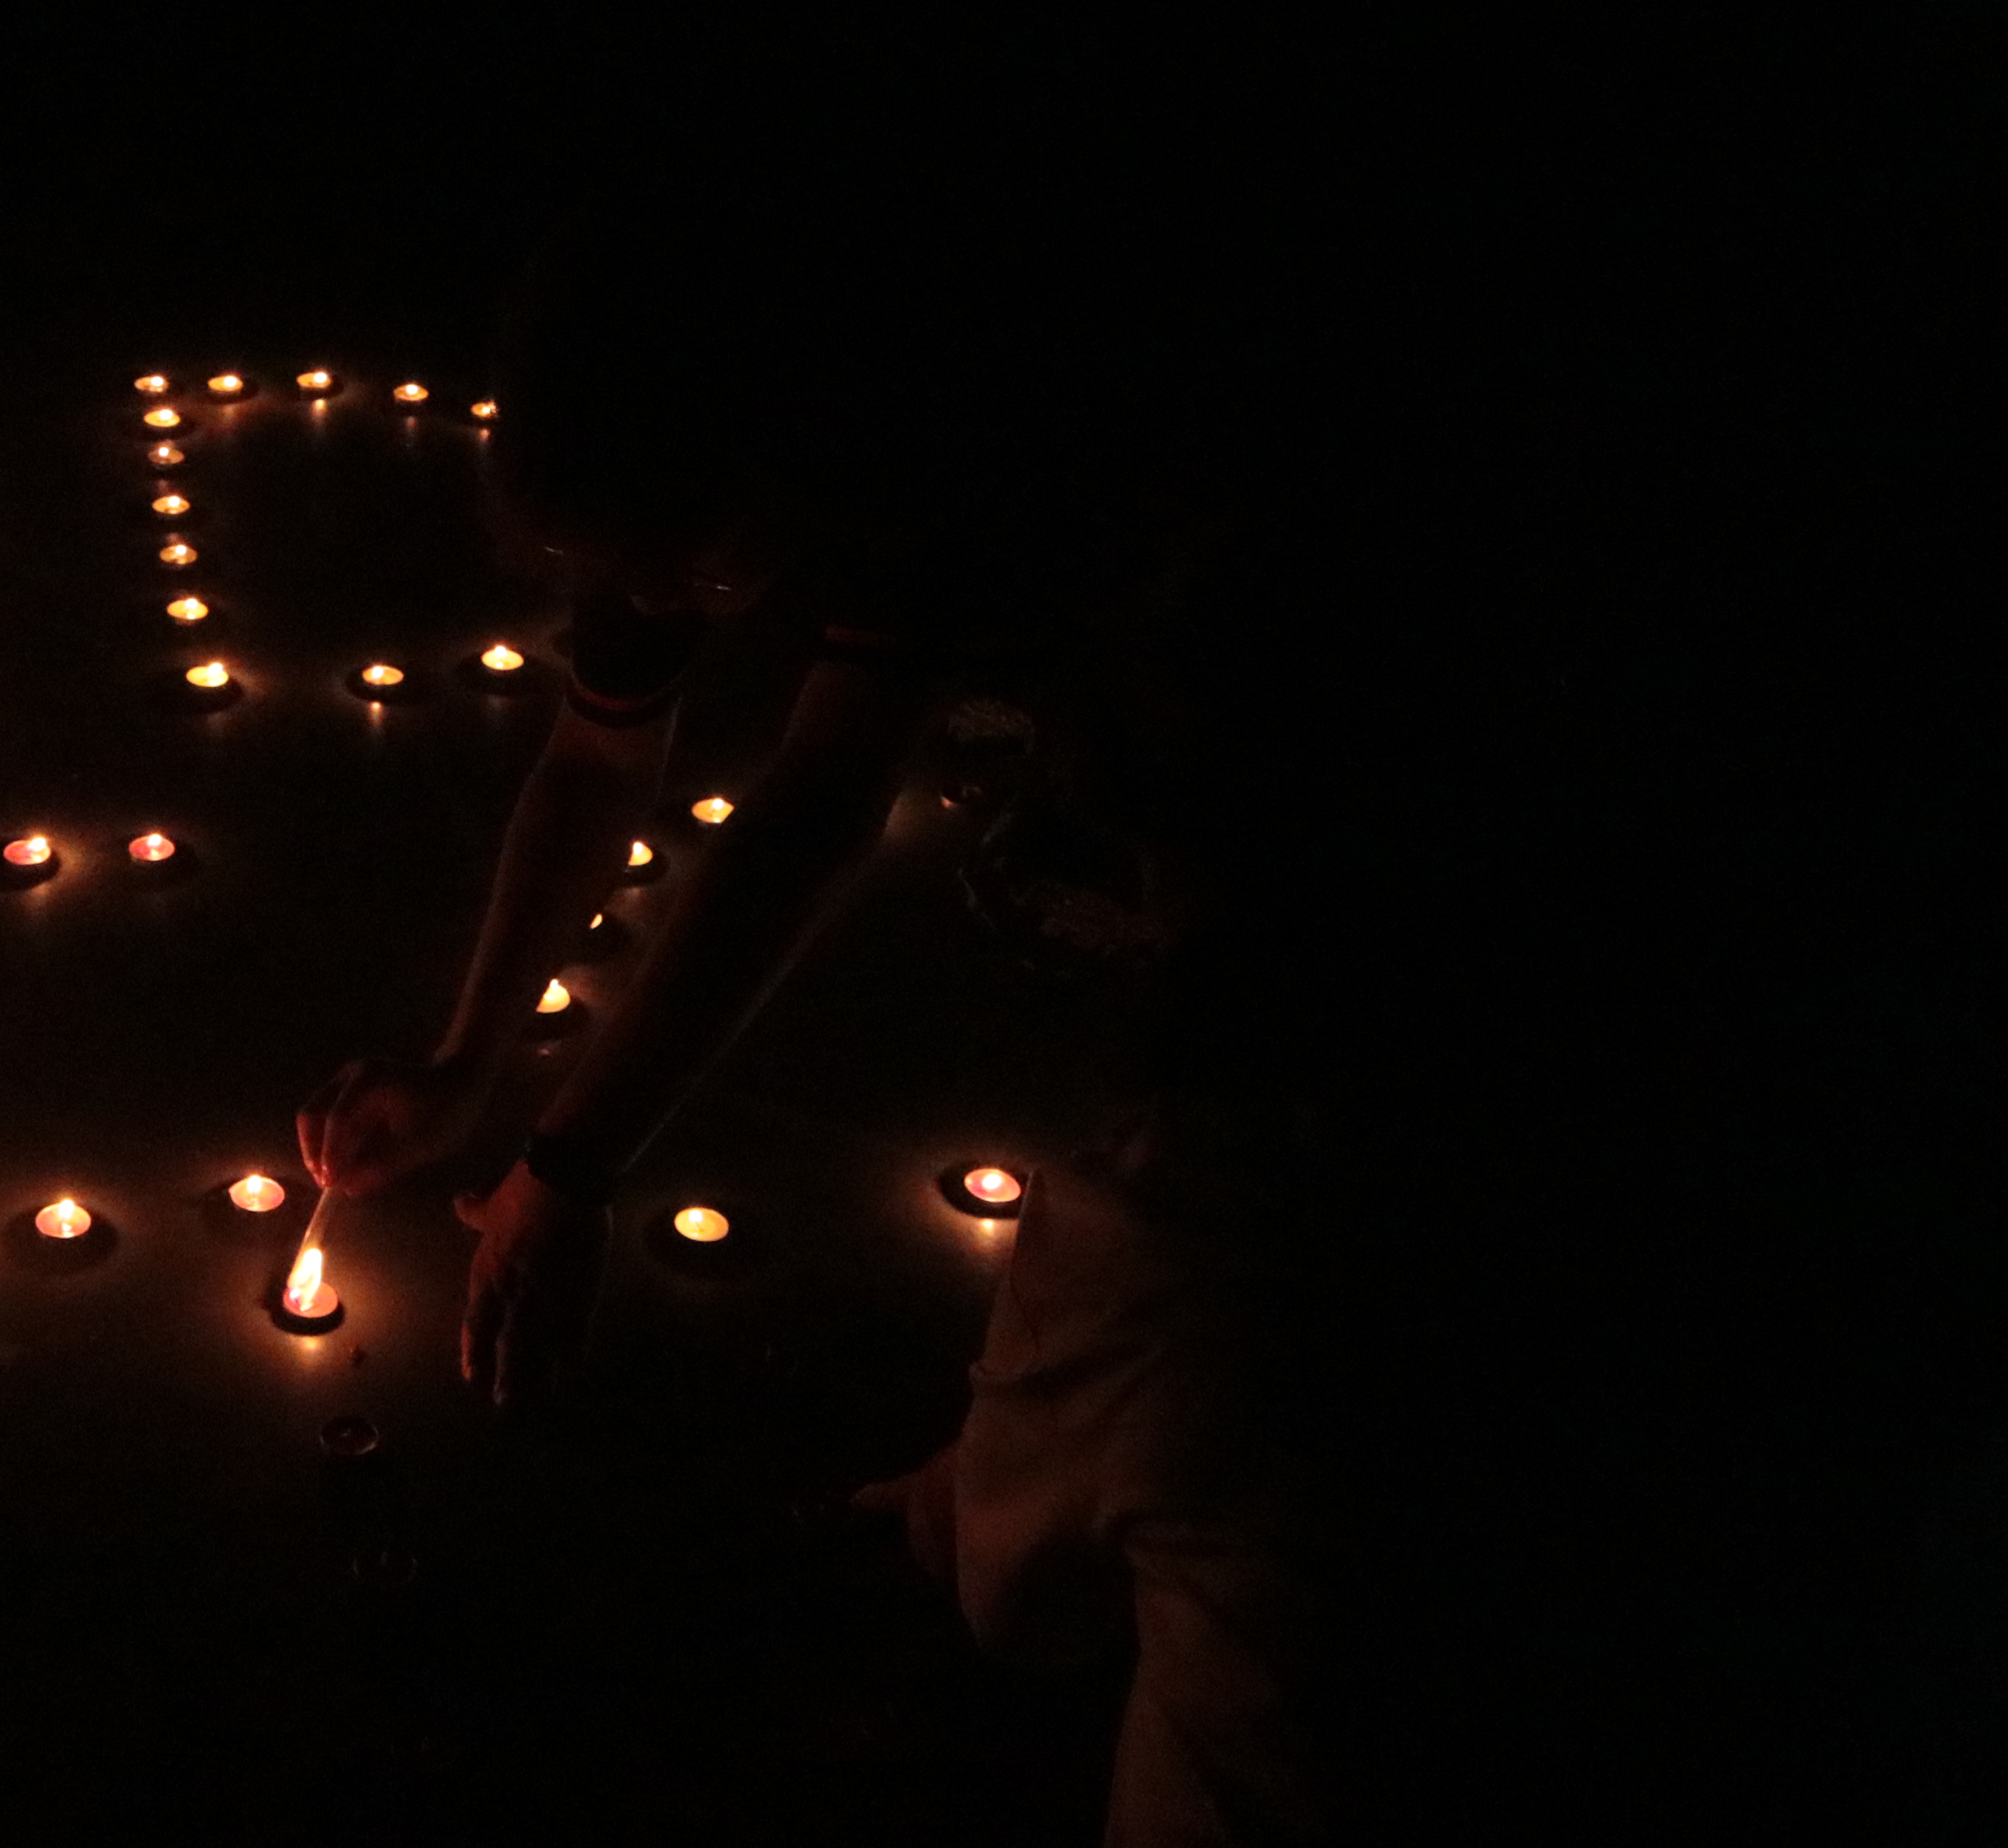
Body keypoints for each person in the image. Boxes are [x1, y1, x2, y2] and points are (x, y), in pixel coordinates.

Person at [296, 131, 1347, 1842]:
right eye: (628, 577)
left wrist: (573, 1162)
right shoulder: (666, 486)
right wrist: (469, 1058)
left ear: (793, 471)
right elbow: (595, 760)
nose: (662, 603)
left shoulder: (956, 445)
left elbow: (809, 808)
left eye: (698, 570)